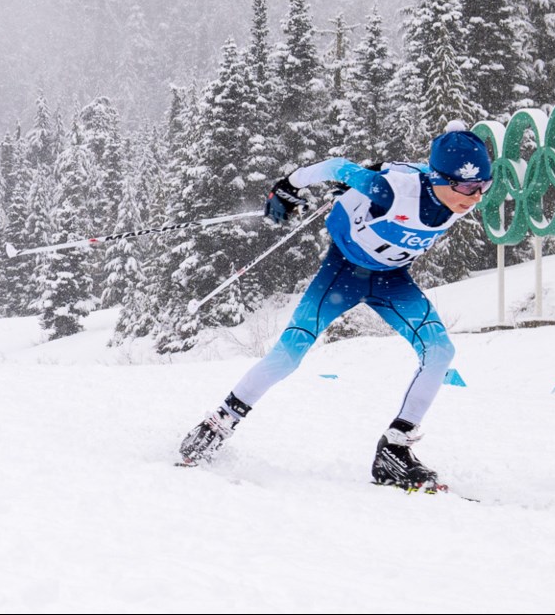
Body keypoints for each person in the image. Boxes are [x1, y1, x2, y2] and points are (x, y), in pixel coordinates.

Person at [178, 121, 493, 492]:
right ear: (440, 177)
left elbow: (414, 168)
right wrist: (289, 186)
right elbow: (334, 167)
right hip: (344, 272)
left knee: (440, 351)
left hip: (392, 279)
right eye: (466, 186)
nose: (474, 196)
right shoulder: (391, 192)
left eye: (483, 186)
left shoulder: (454, 192)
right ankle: (218, 422)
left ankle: (394, 450)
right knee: (288, 355)